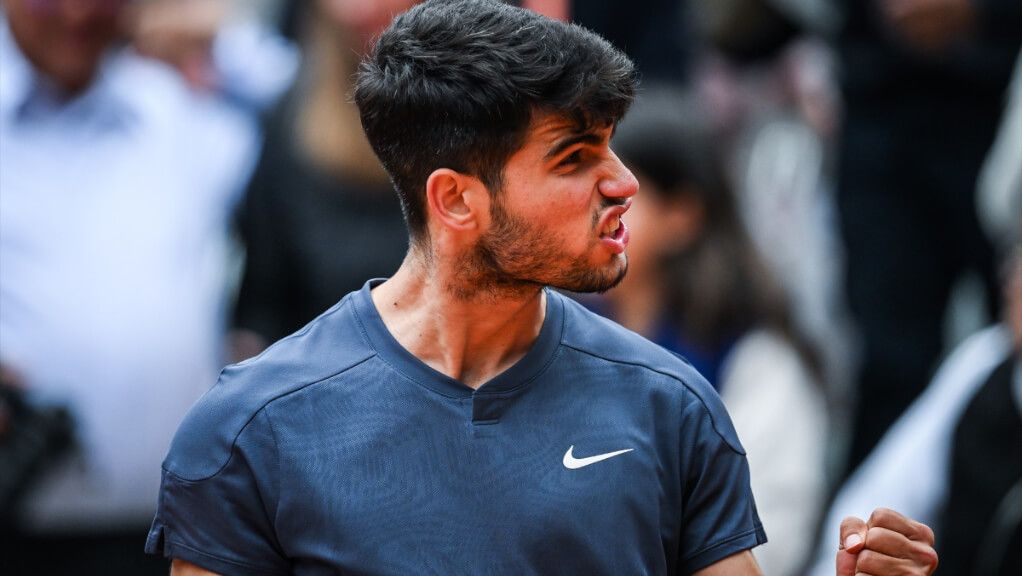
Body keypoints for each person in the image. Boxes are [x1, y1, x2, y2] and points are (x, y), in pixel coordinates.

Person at [146, 2, 939, 575]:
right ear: (457, 199)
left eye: (612, 147)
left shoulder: (675, 406)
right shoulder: (251, 430)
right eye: (574, 158)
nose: (623, 183)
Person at [0, 0, 286, 573]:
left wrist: (214, 36)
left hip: (178, 529)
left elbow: (319, 108)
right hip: (16, 520)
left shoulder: (177, 110)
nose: (77, 14)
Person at [590, 88, 829, 575]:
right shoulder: (560, 325)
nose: (594, 211)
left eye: (618, 196)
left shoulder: (755, 355)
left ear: (682, 215)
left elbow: (770, 543)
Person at [229, 0, 415, 361]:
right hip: (321, 383)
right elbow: (262, 304)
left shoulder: (486, 118)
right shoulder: (290, 120)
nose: (362, 11)